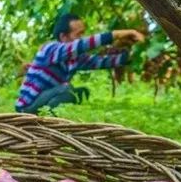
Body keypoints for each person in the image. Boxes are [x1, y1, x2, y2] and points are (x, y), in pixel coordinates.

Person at [16, 13, 145, 114]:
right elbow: (83, 45)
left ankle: (50, 122)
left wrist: (135, 51)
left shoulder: (75, 59)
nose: (82, 37)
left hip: (42, 101)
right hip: (27, 107)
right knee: (67, 88)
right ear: (63, 37)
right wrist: (117, 34)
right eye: (79, 34)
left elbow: (103, 61)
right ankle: (46, 124)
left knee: (79, 92)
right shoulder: (51, 49)